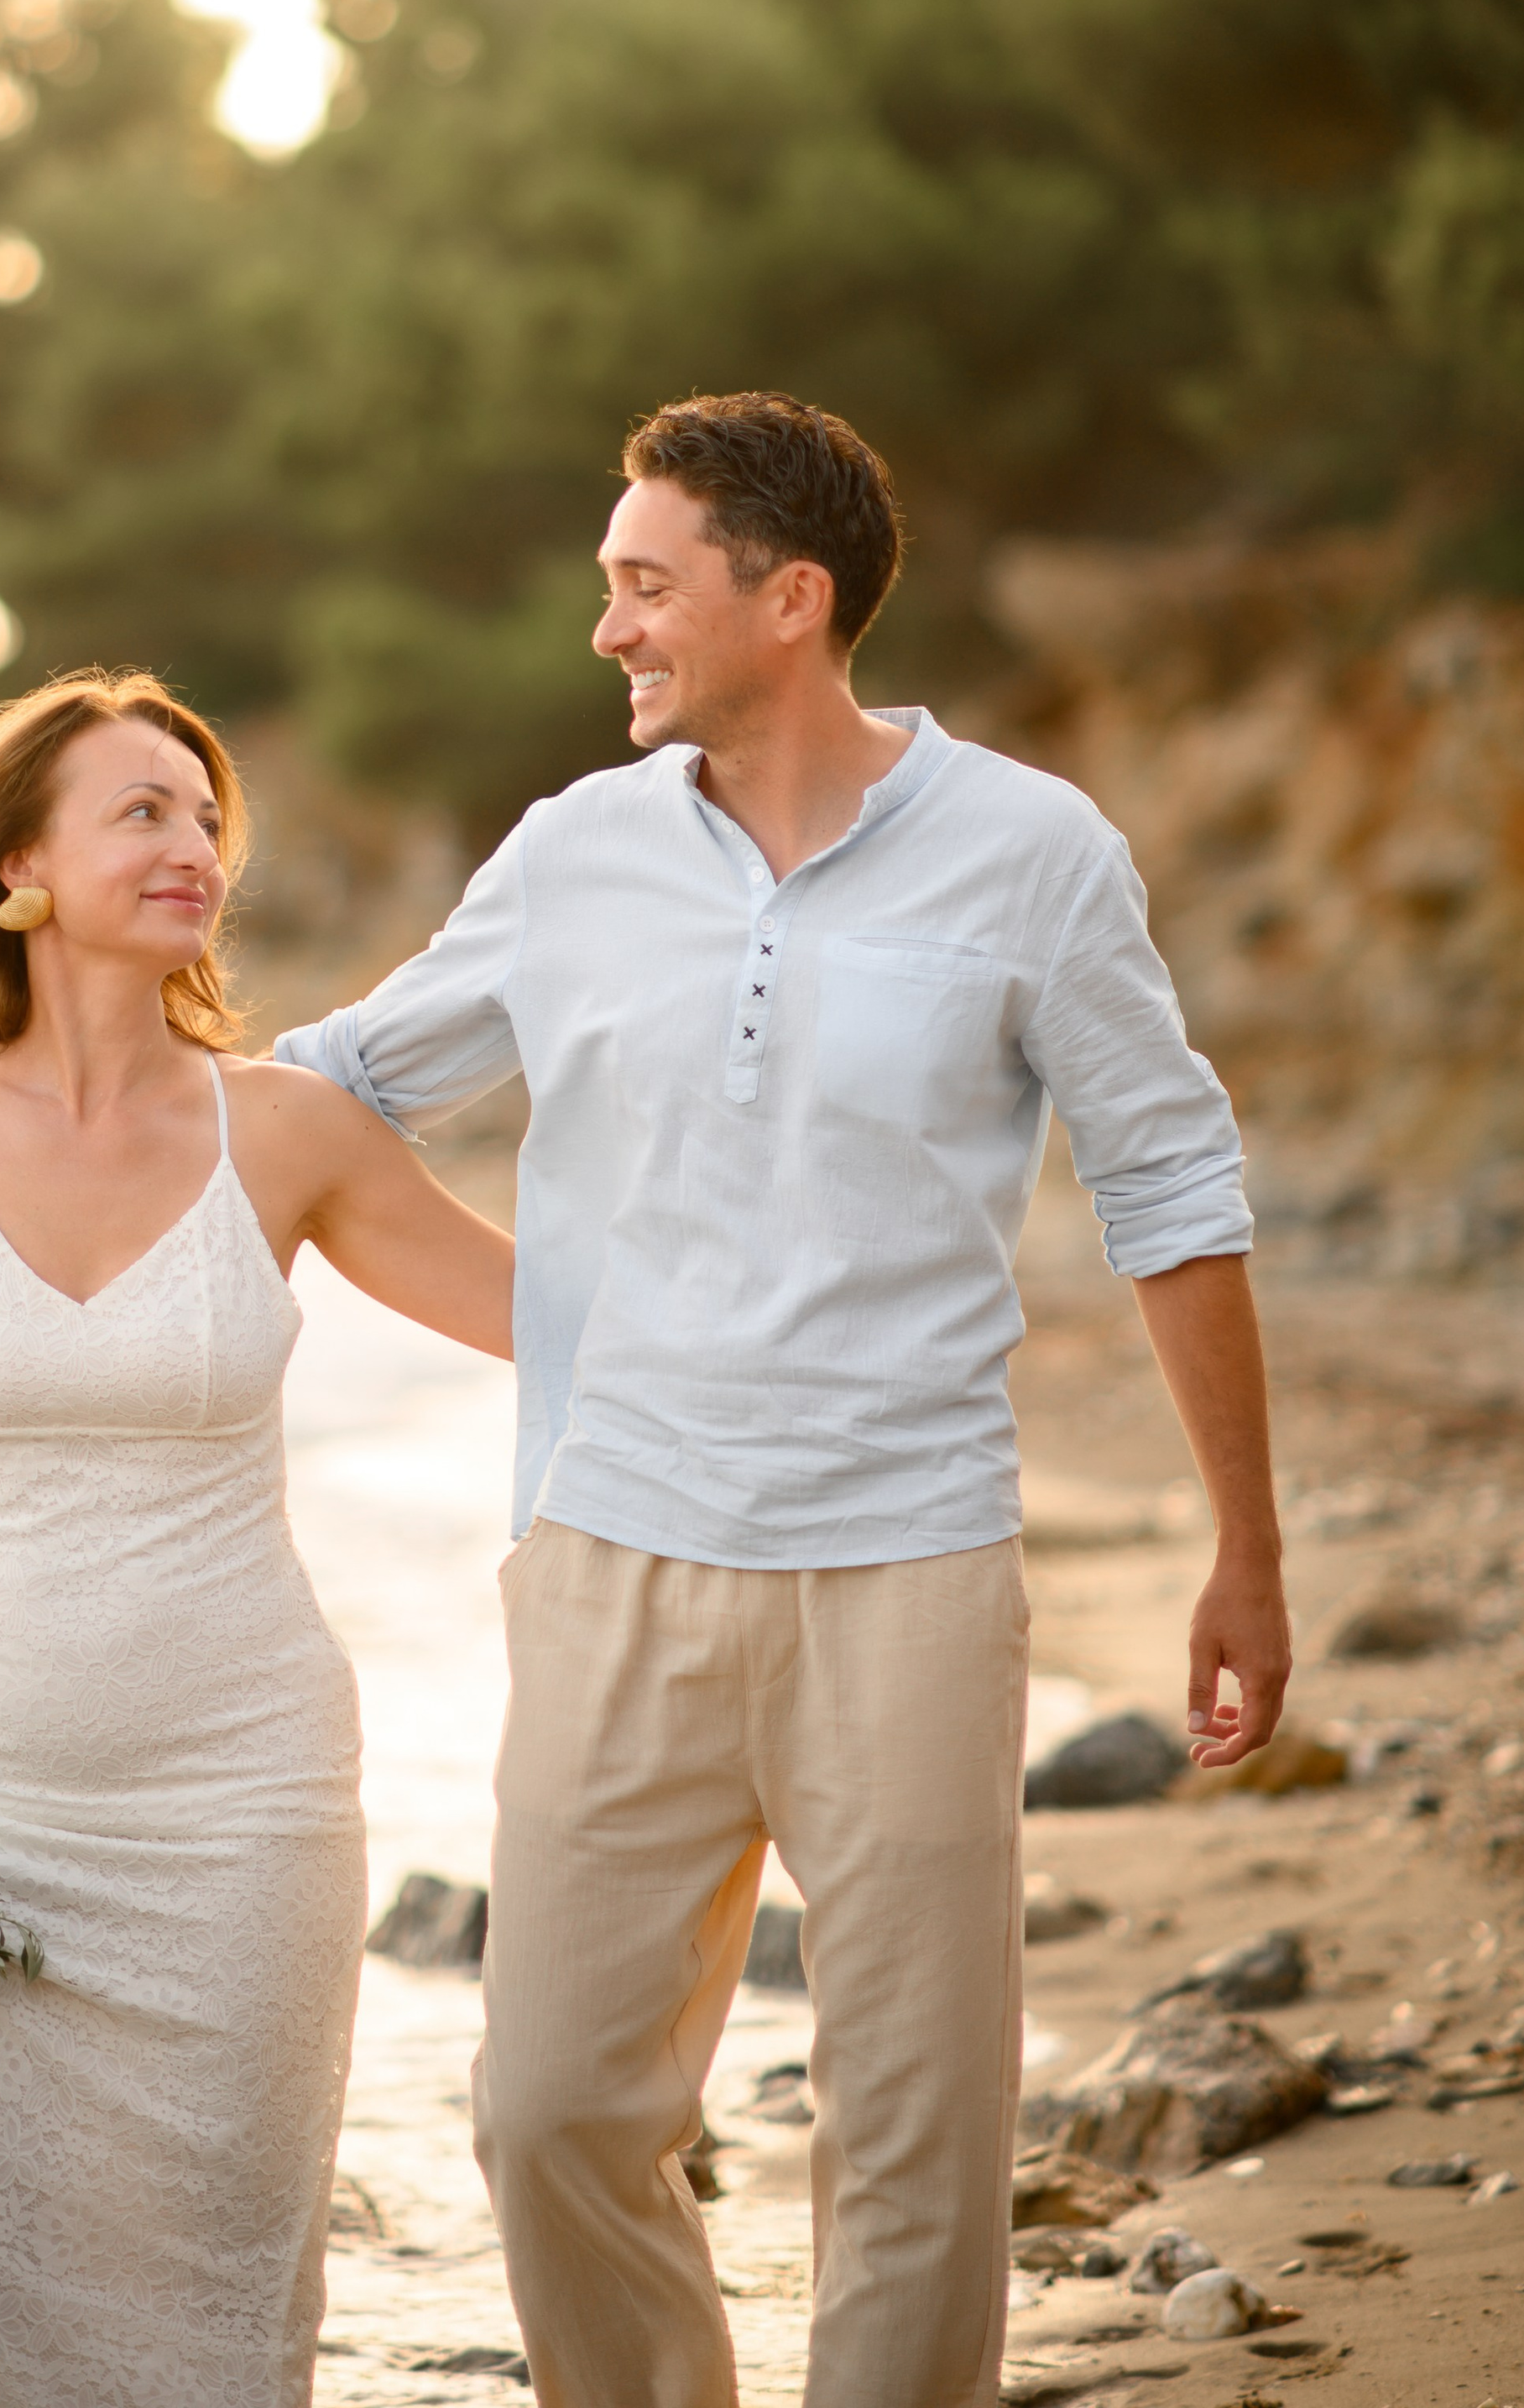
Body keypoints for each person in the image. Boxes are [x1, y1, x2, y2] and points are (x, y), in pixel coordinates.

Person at [273, 391, 1292, 2408]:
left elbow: (1172, 1190)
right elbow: (340, 1082)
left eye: (644, 584)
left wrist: (1242, 1552)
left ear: (789, 598)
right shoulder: (572, 854)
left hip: (906, 1569)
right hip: (610, 1557)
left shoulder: (1031, 851)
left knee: (913, 2136)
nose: (608, 628)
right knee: (548, 2109)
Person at [0, 666, 512, 2408]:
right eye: (142, 811)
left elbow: (556, 1316)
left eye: (205, 817)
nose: (194, 844)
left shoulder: (286, 1129)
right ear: (19, 865)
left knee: (215, 2298)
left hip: (241, 1809)